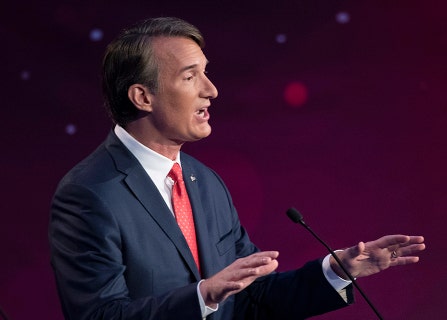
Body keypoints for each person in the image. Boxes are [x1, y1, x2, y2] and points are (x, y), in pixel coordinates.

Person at [48, 16, 426, 320]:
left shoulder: (204, 182)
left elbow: (251, 298)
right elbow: (98, 314)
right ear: (143, 97)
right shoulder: (90, 193)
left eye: (206, 73)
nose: (211, 90)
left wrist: (337, 271)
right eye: (190, 76)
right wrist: (202, 295)